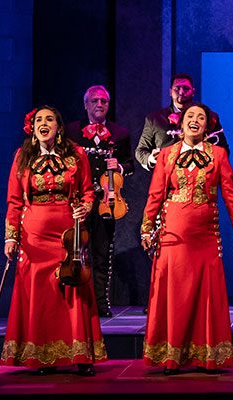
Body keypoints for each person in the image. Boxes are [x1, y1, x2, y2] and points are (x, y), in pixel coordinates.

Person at [139, 102, 233, 375]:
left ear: (208, 126)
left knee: (205, 294)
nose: (195, 120)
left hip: (205, 237)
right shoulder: (166, 155)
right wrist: (146, 227)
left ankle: (208, 355)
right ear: (181, 123)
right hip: (172, 235)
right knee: (174, 294)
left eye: (201, 117)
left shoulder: (219, 154)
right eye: (190, 116)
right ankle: (171, 356)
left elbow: (231, 196)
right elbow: (155, 195)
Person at [0, 105, 106, 376]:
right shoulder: (22, 156)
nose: (43, 123)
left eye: (49, 119)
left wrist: (86, 206)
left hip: (67, 233)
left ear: (58, 127)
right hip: (33, 236)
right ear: (32, 127)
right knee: (40, 292)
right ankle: (43, 355)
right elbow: (13, 201)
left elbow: (87, 192)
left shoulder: (76, 155)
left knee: (72, 288)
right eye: (38, 120)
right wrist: (10, 238)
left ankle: (80, 356)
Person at [65, 85, 134, 318]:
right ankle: (78, 304)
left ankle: (101, 304)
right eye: (94, 101)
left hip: (107, 202)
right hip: (80, 203)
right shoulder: (72, 131)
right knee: (77, 252)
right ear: (86, 105)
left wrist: (121, 167)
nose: (99, 105)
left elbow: (131, 165)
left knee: (103, 254)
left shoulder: (120, 133)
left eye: (104, 101)